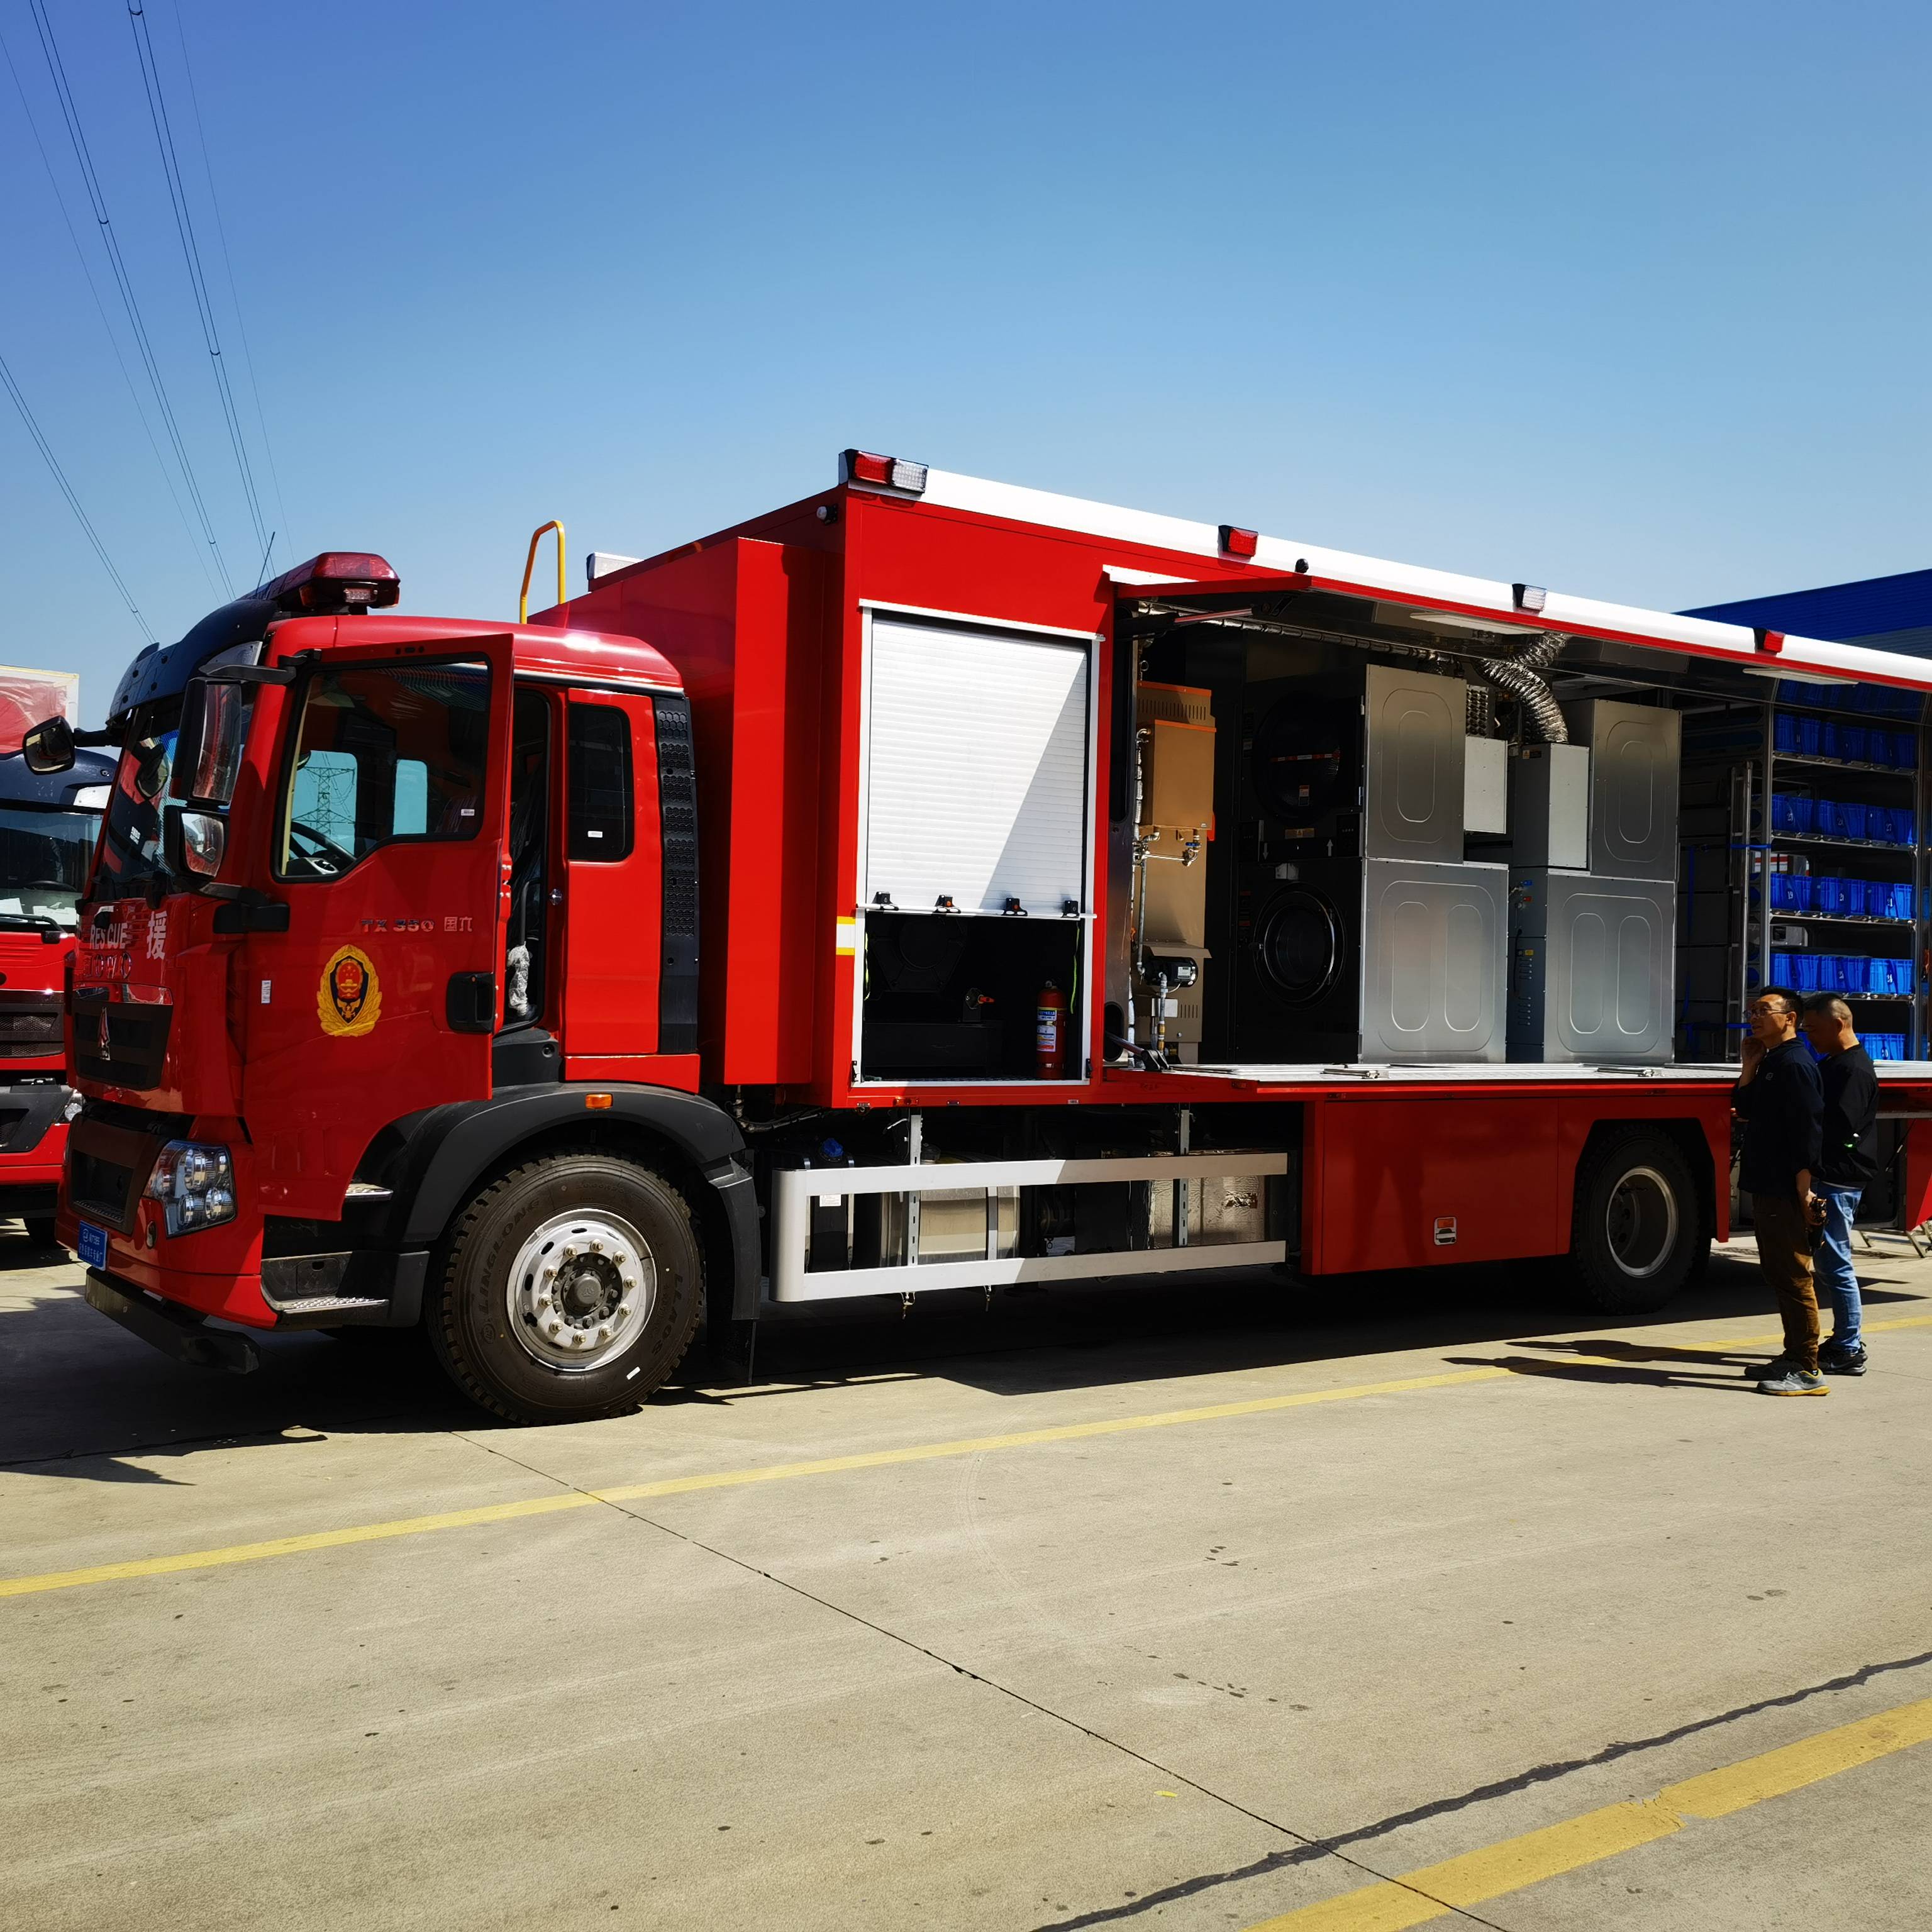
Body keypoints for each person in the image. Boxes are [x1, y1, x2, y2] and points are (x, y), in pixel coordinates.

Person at [1732, 987, 1826, 1396]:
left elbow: (1808, 1135)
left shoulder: (1797, 1065)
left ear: (1790, 1018)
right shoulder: (1772, 1060)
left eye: (1764, 1011)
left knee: (1793, 1276)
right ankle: (1793, 1356)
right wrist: (1749, 1064)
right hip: (1768, 1186)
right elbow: (1746, 1108)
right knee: (1778, 1273)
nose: (1754, 1016)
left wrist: (1804, 1193)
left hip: (1787, 1189)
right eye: (1752, 1011)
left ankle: (1807, 1369)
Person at [1800, 993, 1879, 1375]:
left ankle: (1849, 1347)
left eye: (1813, 1029)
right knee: (1830, 1262)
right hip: (1833, 1175)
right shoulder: (1836, 1063)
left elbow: (1843, 1129)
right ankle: (1845, 1339)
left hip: (1838, 1179)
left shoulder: (1853, 1071)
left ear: (1838, 1025)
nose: (1808, 1037)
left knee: (1835, 1264)